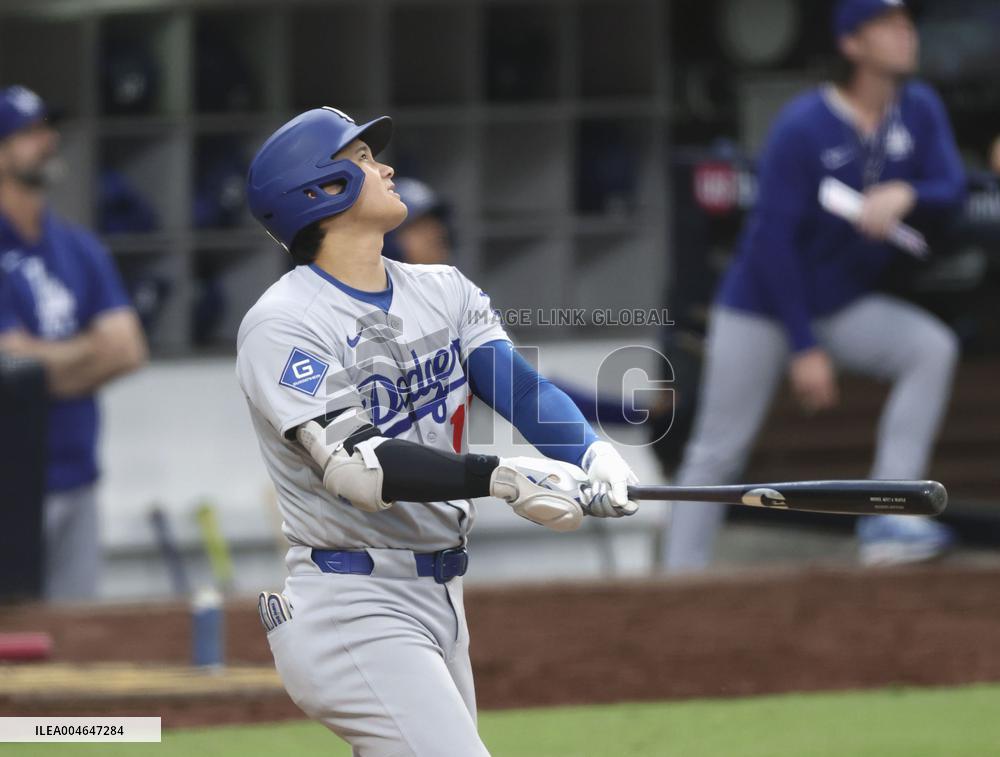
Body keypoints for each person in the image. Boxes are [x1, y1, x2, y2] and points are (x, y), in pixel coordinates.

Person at [238, 106, 639, 756]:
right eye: (363, 160)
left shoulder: (444, 288)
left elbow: (520, 389)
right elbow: (358, 467)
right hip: (353, 602)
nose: (386, 167)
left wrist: (592, 451)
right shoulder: (282, 323)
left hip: (441, 596)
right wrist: (503, 477)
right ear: (320, 191)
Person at [662, 0, 966, 572]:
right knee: (717, 451)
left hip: (841, 302)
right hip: (760, 306)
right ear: (853, 44)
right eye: (888, 24)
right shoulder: (805, 124)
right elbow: (772, 243)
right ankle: (677, 578)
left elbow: (951, 187)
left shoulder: (919, 109)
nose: (905, 33)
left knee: (930, 348)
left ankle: (890, 520)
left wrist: (909, 194)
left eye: (906, 22)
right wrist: (804, 347)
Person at [0, 85, 147, 600]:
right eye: (29, 133)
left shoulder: (76, 245)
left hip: (77, 473)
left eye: (47, 130)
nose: (48, 141)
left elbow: (128, 350)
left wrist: (39, 366)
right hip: (9, 486)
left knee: (78, 639)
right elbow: (7, 369)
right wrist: (91, 349)